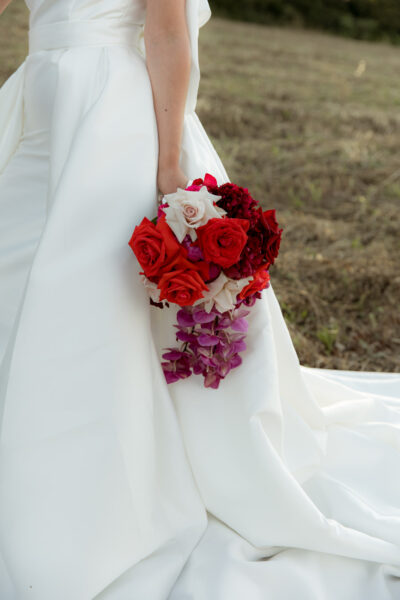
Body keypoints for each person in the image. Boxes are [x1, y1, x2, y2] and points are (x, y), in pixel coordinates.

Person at [0, 0, 399, 598]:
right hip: (40, 97)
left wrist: (167, 164)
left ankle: (100, 466)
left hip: (105, 109)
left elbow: (165, 33)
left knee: (91, 285)